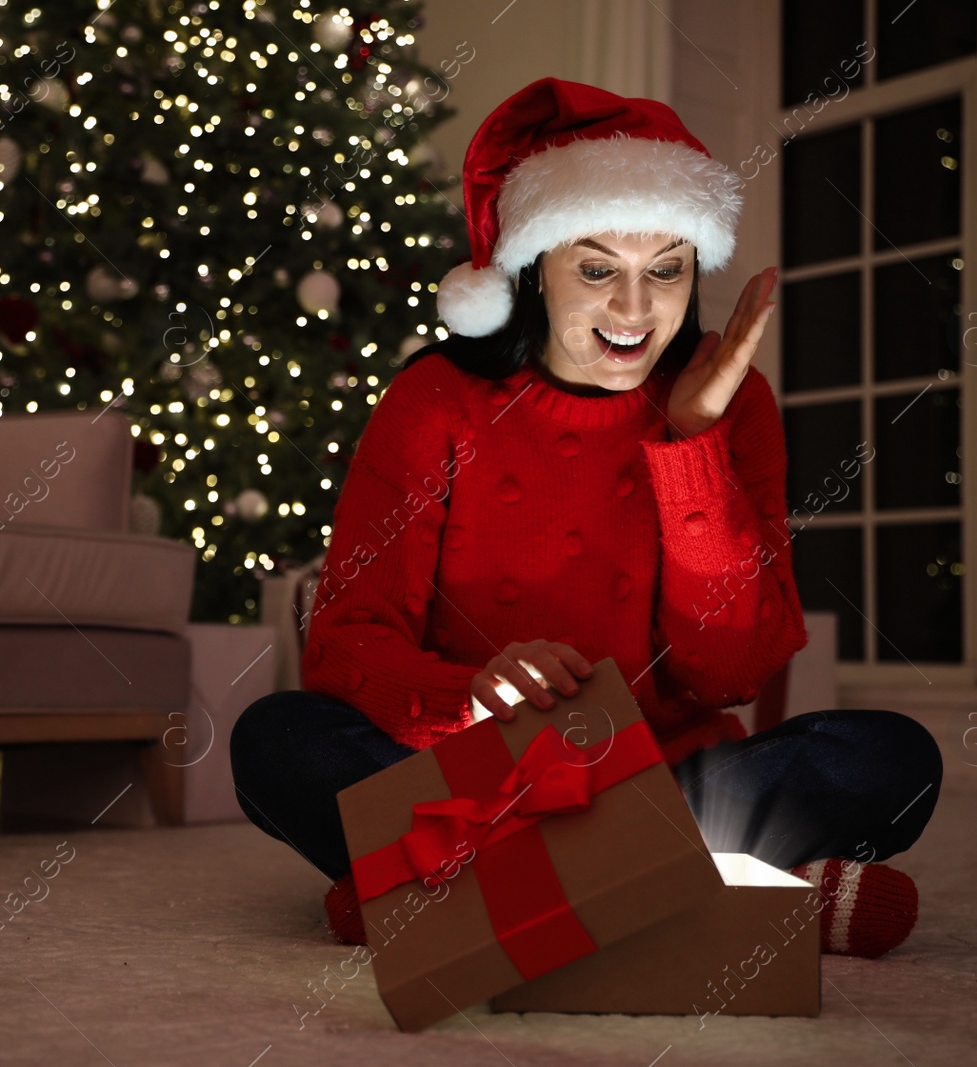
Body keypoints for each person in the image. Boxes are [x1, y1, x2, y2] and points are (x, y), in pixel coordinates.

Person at [230, 78, 941, 960]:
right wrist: (474, 695)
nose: (636, 312)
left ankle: (450, 890)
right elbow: (346, 639)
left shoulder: (729, 401)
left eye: (667, 270)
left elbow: (731, 674)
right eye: (597, 269)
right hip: (471, 776)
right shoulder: (433, 401)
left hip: (663, 777)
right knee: (276, 742)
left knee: (890, 758)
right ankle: (675, 882)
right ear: (531, 271)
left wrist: (692, 444)